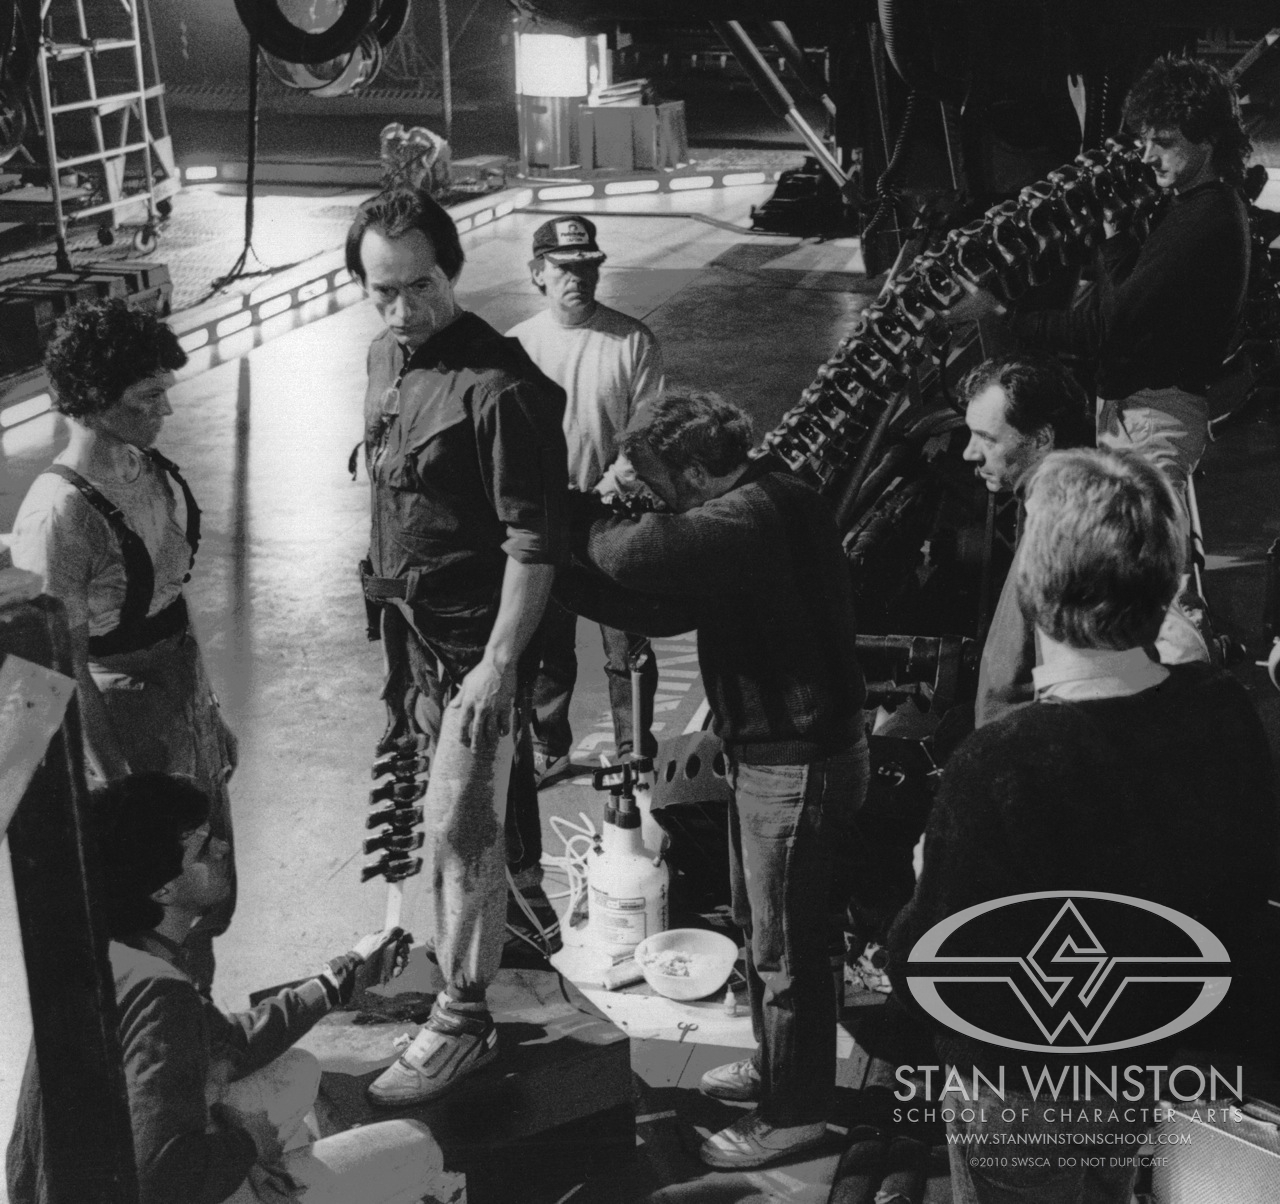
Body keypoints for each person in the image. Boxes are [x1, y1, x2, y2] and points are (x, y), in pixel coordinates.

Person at [888, 448, 1278, 1204]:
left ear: (1034, 585)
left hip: (1029, 1095)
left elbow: (926, 978)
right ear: (1166, 578)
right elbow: (1238, 893)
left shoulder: (1000, 763)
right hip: (1160, 1065)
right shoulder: (1221, 708)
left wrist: (926, 880)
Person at [556, 390, 869, 1171]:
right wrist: (560, 570)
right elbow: (664, 609)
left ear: (696, 472)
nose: (649, 498)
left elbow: (641, 555)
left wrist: (564, 517)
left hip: (796, 767)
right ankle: (778, 1068)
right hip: (770, 758)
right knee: (764, 934)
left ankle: (796, 1115)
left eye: (656, 481)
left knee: (787, 953)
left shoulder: (753, 515)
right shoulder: (753, 508)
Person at [345, 187, 569, 1105]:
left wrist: (499, 665)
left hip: (476, 647)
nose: (402, 309)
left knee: (460, 825)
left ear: (453, 272)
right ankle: (484, 952)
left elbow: (535, 542)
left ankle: (465, 1017)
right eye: (382, 290)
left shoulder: (503, 388)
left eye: (420, 286)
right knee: (448, 821)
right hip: (413, 643)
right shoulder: (384, 357)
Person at [6, 773, 439, 1204]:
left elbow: (226, 1040)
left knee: (299, 1069)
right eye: (202, 846)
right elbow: (157, 1182)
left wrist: (334, 984)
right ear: (163, 888)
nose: (223, 847)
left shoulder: (106, 955)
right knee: (417, 1146)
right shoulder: (161, 994)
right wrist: (246, 1145)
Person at [7, 299, 236, 991]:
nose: (166, 408)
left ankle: (201, 1025)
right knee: (152, 911)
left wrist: (208, 719)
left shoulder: (148, 469)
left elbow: (169, 610)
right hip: (121, 717)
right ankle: (164, 1036)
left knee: (208, 893)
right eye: (146, 397)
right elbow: (62, 669)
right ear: (94, 401)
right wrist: (123, 788)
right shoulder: (59, 515)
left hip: (179, 698)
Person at [952, 55, 1251, 518]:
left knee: (1141, 553)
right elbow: (1125, 302)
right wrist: (1114, 234)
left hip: (1154, 419)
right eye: (1144, 141)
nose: (1148, 156)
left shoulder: (1207, 220)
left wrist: (1001, 314)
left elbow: (1104, 327)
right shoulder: (1187, 206)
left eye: (1163, 143)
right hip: (1134, 413)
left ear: (1209, 140)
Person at [507, 215, 665, 785]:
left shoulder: (632, 341)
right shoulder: (518, 346)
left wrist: (608, 489)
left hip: (615, 516)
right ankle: (549, 745)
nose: (578, 278)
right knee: (546, 642)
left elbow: (646, 433)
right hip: (547, 519)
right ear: (538, 274)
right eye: (564, 268)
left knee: (627, 646)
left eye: (587, 267)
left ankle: (634, 752)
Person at [961, 354, 1093, 726]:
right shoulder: (1045, 506)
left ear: (1041, 439)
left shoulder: (1065, 535)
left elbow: (1069, 693)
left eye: (986, 438)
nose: (969, 453)